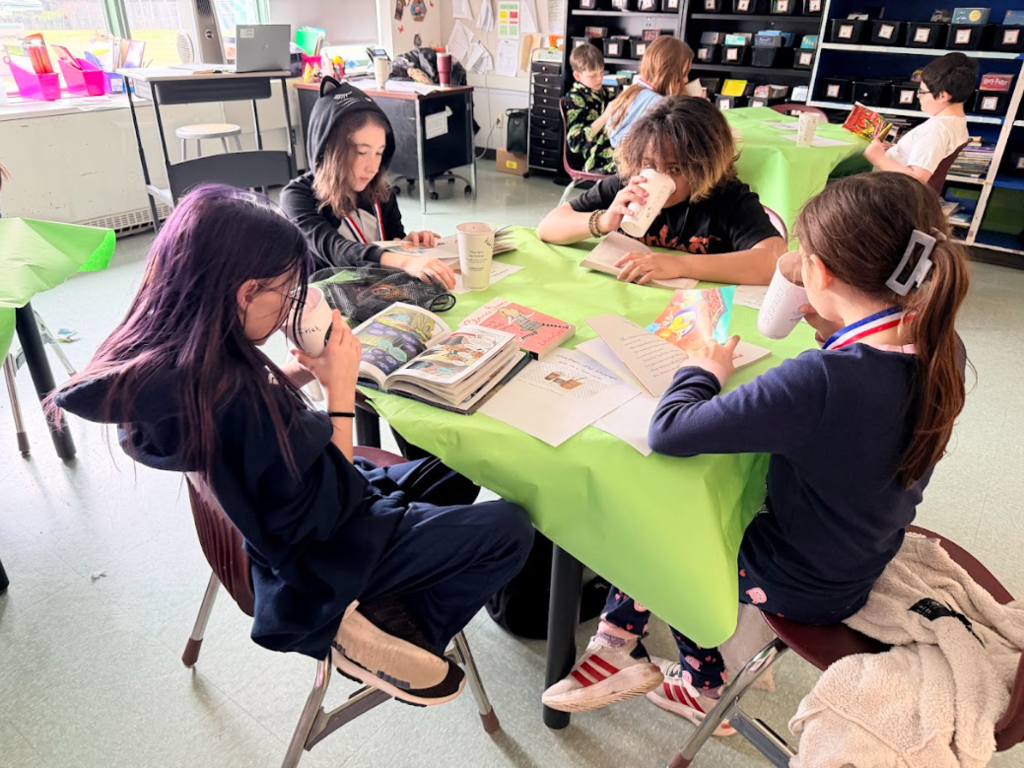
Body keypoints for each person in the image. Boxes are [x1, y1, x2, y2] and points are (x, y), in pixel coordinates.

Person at [51, 184, 533, 707]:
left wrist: (296, 373)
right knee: (509, 527)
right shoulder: (238, 398)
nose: (288, 311)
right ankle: (377, 628)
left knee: (452, 467)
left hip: (270, 519)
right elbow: (334, 505)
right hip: (314, 552)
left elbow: (256, 430)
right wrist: (339, 392)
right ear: (245, 293)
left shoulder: (172, 367)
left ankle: (379, 608)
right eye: (286, 293)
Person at [543, 173, 970, 735]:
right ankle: (622, 644)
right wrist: (830, 311)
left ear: (815, 272)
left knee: (653, 522)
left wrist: (704, 367)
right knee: (703, 497)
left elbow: (670, 431)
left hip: (799, 581)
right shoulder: (942, 345)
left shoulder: (820, 382)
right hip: (856, 555)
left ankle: (698, 682)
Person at [537, 96, 785, 285]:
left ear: (705, 166)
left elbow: (774, 261)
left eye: (676, 169)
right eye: (649, 164)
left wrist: (680, 265)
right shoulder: (628, 185)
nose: (658, 176)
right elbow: (548, 227)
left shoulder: (726, 196)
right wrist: (602, 220)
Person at [281, 79, 456, 288]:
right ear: (331, 151)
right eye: (362, 152)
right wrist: (405, 261)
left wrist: (409, 244)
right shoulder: (297, 196)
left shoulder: (381, 191)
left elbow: (391, 240)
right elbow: (335, 249)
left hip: (379, 291)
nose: (372, 167)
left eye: (379, 153)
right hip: (330, 298)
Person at [864, 52, 977, 186]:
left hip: (888, 191)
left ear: (942, 96)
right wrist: (897, 150)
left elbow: (917, 178)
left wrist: (877, 158)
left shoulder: (935, 131)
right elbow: (930, 154)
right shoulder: (957, 121)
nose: (918, 96)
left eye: (922, 92)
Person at [593, 35, 694, 150]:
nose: (686, 80)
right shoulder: (659, 104)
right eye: (684, 74)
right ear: (667, 72)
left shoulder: (633, 91)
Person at [564, 43, 616, 175]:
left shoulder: (605, 94)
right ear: (577, 76)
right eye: (593, 76)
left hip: (613, 146)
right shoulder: (575, 99)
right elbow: (575, 143)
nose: (599, 78)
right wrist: (605, 116)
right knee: (633, 165)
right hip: (594, 158)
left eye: (601, 72)